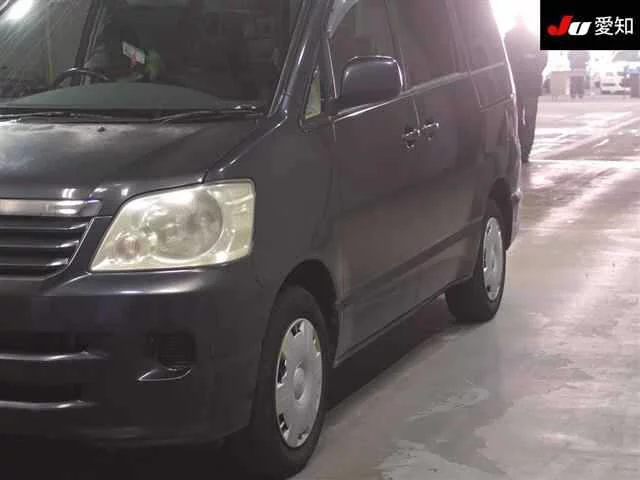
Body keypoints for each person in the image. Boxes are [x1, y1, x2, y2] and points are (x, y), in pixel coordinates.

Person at [504, 16, 548, 164]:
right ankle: (525, 152)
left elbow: (505, 60)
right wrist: (533, 68)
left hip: (516, 84)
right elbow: (543, 59)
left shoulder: (509, 37)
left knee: (517, 119)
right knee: (530, 119)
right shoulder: (534, 38)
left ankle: (519, 150)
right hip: (531, 84)